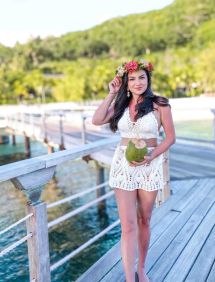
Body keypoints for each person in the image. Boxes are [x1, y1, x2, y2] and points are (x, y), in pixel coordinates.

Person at [91, 61, 176, 282]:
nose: (137, 82)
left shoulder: (160, 104)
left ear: (147, 80)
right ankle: (130, 278)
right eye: (132, 79)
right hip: (123, 166)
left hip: (150, 163)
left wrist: (151, 156)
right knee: (127, 225)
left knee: (144, 220)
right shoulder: (121, 105)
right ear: (125, 83)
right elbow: (97, 120)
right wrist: (111, 94)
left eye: (141, 77)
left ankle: (141, 268)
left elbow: (170, 137)